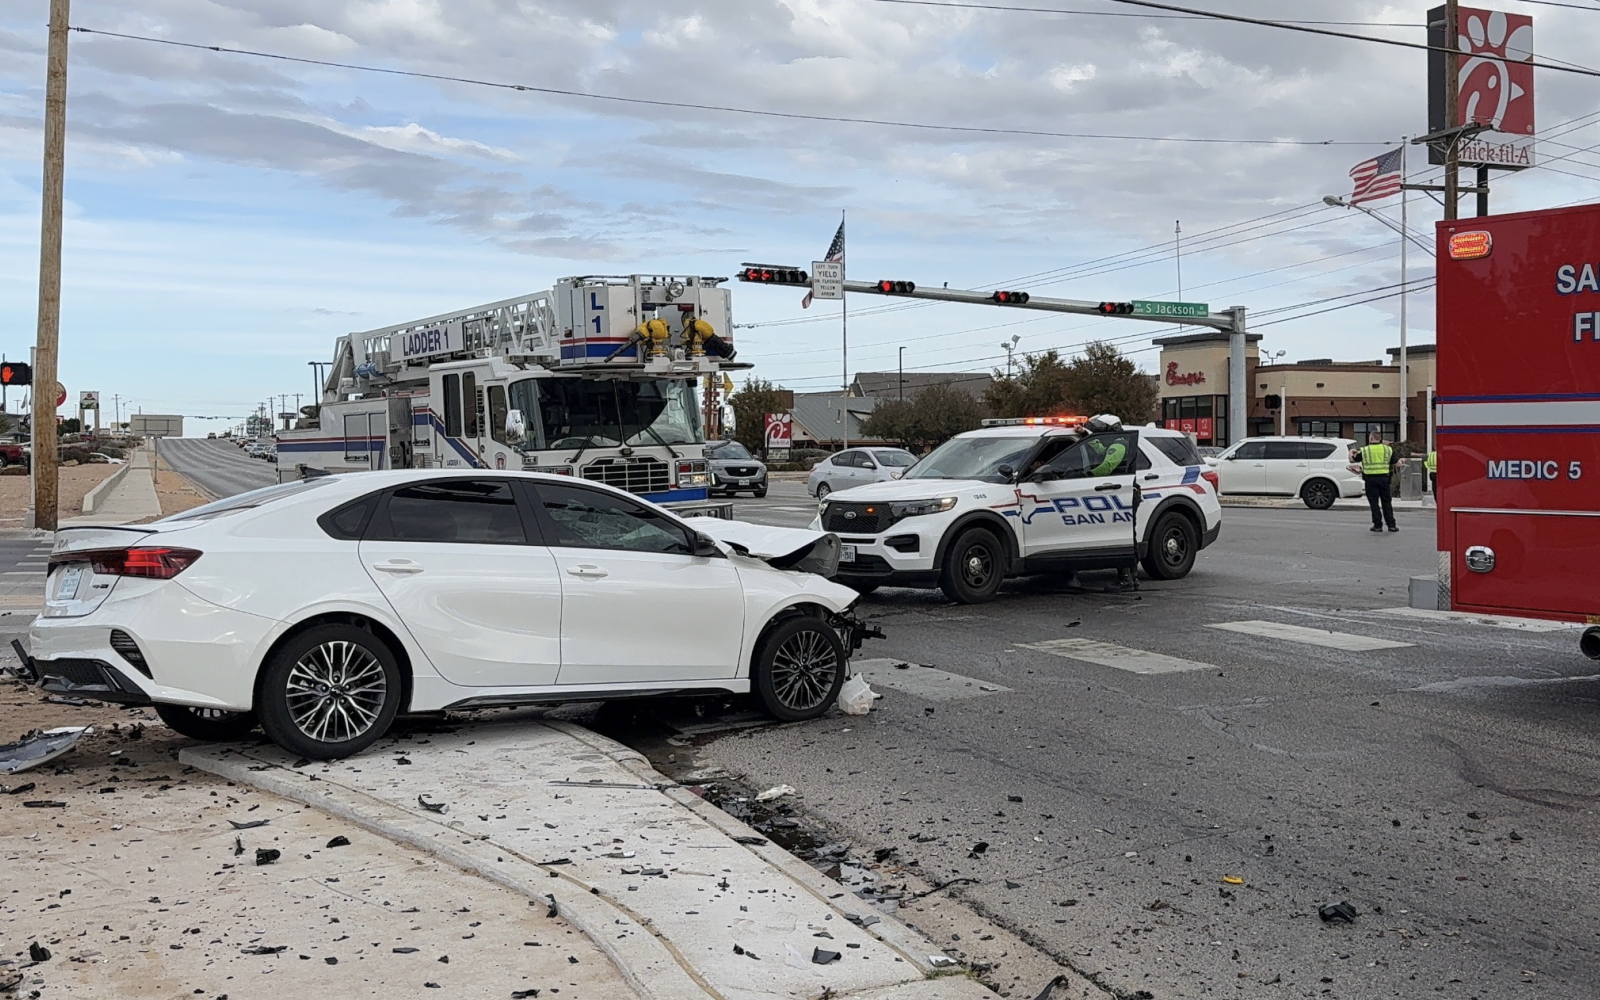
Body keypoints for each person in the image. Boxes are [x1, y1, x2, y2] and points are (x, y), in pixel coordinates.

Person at [1350, 431, 1399, 532]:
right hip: (1384, 479)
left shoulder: (1365, 450)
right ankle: (1391, 525)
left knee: (1374, 503)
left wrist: (1351, 452)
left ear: (1371, 438)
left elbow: (1353, 460)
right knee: (1387, 502)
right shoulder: (1388, 449)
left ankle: (1377, 525)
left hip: (1370, 480)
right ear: (1380, 439)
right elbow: (1396, 463)